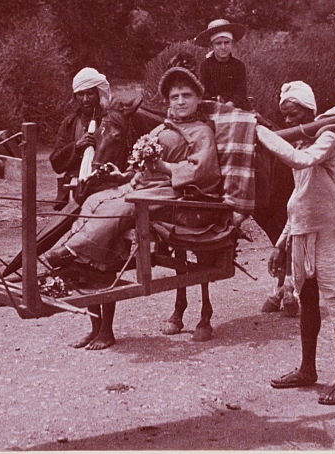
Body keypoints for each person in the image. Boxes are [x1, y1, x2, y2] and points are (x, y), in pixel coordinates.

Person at [43, 63, 221, 349]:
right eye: (174, 97)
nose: (180, 102)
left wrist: (164, 166)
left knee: (124, 206)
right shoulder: (163, 128)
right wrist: (124, 175)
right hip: (148, 185)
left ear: (198, 99)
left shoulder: (201, 132)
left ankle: (70, 250)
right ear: (167, 102)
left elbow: (204, 171)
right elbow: (143, 166)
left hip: (178, 194)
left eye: (186, 96)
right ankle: (77, 255)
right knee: (94, 199)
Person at [257, 81, 335, 405]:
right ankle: (307, 369)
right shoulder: (299, 141)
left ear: (311, 112)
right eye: (284, 115)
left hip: (327, 233)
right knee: (308, 302)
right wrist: (281, 243)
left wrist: (261, 133)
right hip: (301, 233)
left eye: (295, 114)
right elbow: (297, 201)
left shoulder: (326, 138)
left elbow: (301, 161)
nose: (289, 121)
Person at [49, 67, 112, 207]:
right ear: (75, 96)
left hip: (105, 189)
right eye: (80, 94)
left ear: (98, 94)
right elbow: (55, 162)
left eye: (90, 94)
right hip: (75, 189)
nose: (85, 99)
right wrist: (76, 147)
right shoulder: (69, 124)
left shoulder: (110, 122)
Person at [197, 18, 251, 110]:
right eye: (218, 43)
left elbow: (240, 92)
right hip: (213, 107)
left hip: (236, 107)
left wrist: (229, 105)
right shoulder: (205, 66)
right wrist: (217, 104)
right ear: (212, 45)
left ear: (232, 43)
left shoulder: (238, 65)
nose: (223, 47)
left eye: (227, 43)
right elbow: (204, 92)